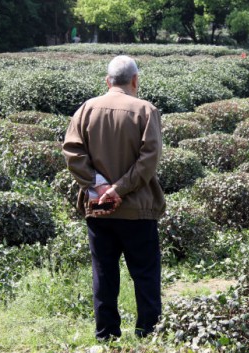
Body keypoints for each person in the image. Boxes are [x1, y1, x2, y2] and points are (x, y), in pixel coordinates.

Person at [62, 55, 165, 341]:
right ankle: (149, 333)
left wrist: (98, 186)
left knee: (104, 274)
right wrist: (118, 189)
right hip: (138, 211)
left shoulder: (86, 109)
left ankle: (106, 336)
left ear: (107, 81)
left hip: (98, 210)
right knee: (145, 274)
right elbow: (149, 159)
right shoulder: (145, 110)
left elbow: (72, 152)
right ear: (135, 80)